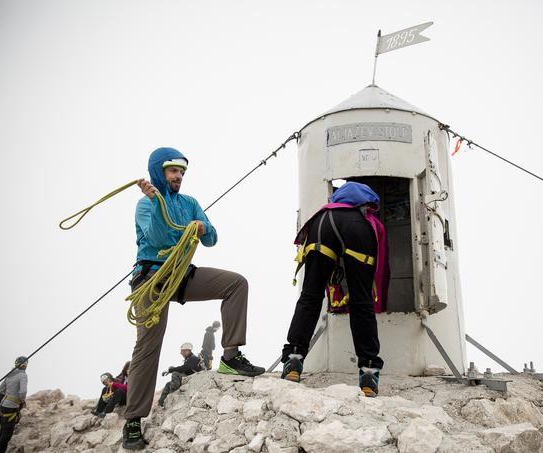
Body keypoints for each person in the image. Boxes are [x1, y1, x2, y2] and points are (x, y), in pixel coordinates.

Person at [123, 147, 264, 450]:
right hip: (152, 279)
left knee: (236, 284)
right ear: (159, 172)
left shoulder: (189, 203)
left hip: (182, 275)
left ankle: (230, 357)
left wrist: (203, 226)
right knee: (148, 345)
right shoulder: (145, 205)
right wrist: (157, 202)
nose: (179, 177)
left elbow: (211, 238)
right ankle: (133, 420)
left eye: (182, 172)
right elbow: (159, 239)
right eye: (173, 171)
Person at [280, 182, 389, 397]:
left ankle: (293, 361)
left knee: (310, 296)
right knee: (361, 301)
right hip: (356, 228)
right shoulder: (365, 218)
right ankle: (368, 374)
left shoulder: (326, 210)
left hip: (321, 225)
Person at [0, 356, 28, 453]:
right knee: (6, 436)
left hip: (3, 405)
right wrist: (22, 400)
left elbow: (1, 390)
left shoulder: (10, 374)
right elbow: (23, 391)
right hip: (11, 407)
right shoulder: (23, 375)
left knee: (2, 432)